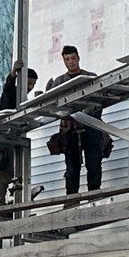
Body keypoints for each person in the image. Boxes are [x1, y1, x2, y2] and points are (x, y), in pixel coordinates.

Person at [46, 44, 109, 195]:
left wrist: (86, 116)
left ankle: (94, 197)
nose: (71, 61)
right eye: (68, 59)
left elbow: (99, 102)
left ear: (78, 58)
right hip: (69, 130)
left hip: (90, 126)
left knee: (94, 164)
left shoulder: (90, 77)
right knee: (72, 167)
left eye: (73, 58)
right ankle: (71, 201)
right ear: (64, 61)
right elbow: (53, 105)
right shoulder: (59, 82)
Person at [0, 65, 38, 206]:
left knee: (12, 170)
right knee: (3, 173)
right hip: (4, 138)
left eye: (33, 84)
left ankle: (13, 198)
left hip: (11, 137)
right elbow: (7, 89)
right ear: (22, 80)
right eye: (29, 83)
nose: (31, 87)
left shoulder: (22, 98)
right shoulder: (14, 92)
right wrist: (12, 75)